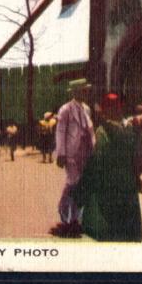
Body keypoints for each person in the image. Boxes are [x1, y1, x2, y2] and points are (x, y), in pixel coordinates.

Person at [73, 93, 142, 242]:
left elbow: (98, 158)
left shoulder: (102, 131)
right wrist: (136, 176)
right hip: (127, 182)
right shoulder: (130, 129)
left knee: (109, 226)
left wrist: (85, 184)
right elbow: (136, 156)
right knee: (127, 227)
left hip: (109, 183)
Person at [50, 78, 96, 238]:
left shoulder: (86, 109)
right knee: (72, 183)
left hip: (85, 152)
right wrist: (61, 153)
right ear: (76, 92)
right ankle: (65, 215)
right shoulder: (66, 109)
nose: (86, 92)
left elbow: (90, 131)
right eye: (83, 90)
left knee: (80, 185)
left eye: (86, 90)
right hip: (71, 152)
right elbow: (60, 132)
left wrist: (94, 149)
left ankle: (76, 220)